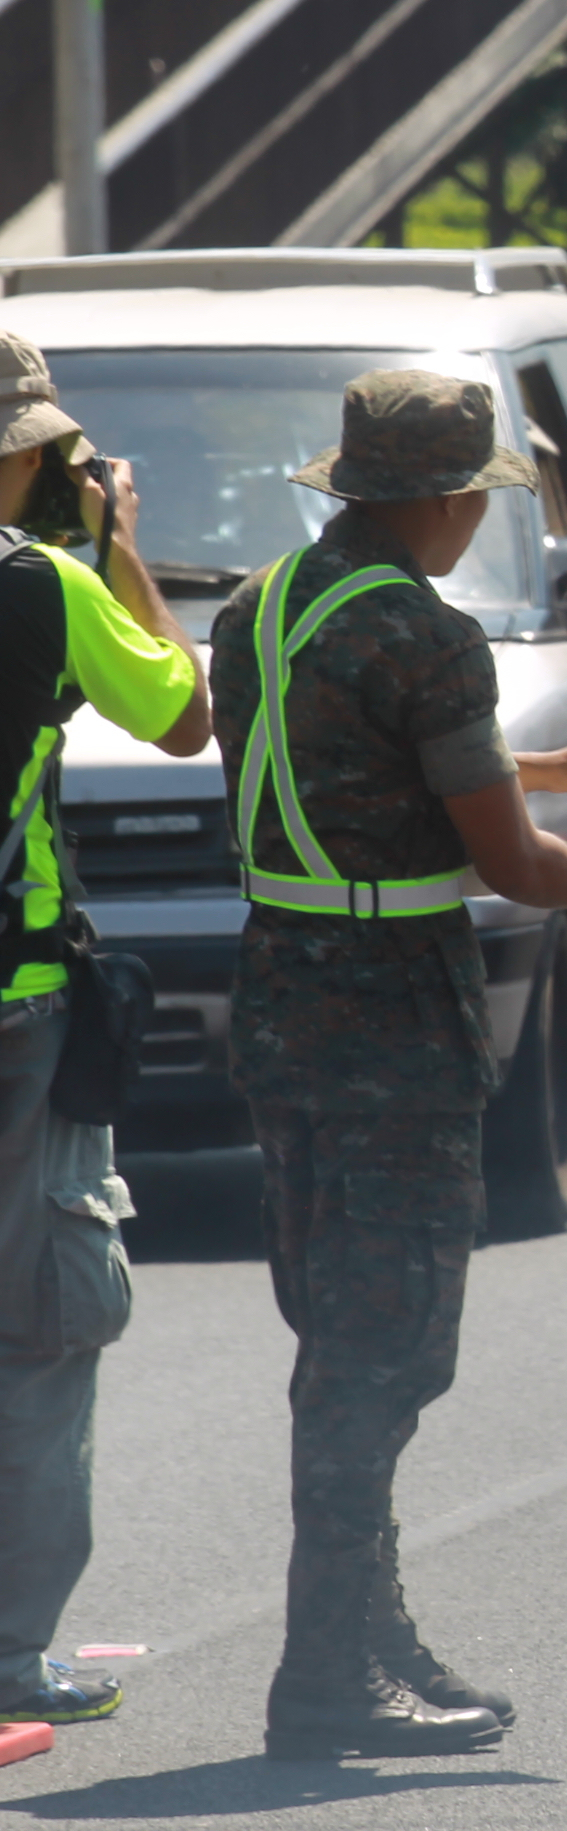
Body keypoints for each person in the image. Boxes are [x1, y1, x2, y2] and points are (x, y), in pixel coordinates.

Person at [211, 372, 567, 1760]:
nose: (478, 516)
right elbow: (502, 865)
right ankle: (327, 1669)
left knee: (338, 1334)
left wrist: (544, 766)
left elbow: (351, 767)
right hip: (395, 1018)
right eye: (477, 494)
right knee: (385, 1348)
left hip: (288, 993)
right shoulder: (429, 632)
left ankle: (365, 1631)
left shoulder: (262, 604)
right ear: (444, 497)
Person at [0, 336, 213, 1734]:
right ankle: (15, 1653)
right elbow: (188, 715)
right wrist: (119, 544)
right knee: (40, 1329)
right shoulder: (43, 585)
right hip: (16, 1016)